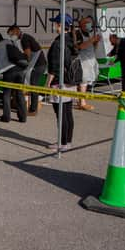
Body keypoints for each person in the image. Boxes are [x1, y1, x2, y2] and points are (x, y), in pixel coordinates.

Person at [45, 14, 78, 151]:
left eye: (55, 23)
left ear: (60, 25)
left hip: (59, 82)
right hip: (70, 81)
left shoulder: (59, 43)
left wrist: (47, 83)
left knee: (61, 114)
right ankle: (67, 141)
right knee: (68, 112)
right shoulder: (71, 40)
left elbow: (54, 66)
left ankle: (62, 143)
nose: (54, 26)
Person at [7, 25, 46, 116]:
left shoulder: (24, 39)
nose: (11, 37)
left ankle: (33, 110)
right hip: (39, 64)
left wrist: (22, 62)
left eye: (11, 34)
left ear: (16, 31)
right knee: (32, 85)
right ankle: (32, 107)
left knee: (33, 86)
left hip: (38, 65)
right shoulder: (25, 37)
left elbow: (28, 55)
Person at [0, 31, 27, 123]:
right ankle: (23, 117)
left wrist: (1, 62)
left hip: (8, 72)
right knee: (19, 94)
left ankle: (6, 117)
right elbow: (19, 54)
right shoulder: (11, 42)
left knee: (6, 94)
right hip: (20, 70)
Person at [74, 16, 101, 110]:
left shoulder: (89, 33)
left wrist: (96, 42)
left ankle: (80, 100)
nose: (89, 25)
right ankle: (82, 103)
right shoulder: (78, 33)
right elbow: (79, 46)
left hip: (90, 60)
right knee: (83, 82)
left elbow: (93, 48)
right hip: (82, 61)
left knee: (85, 82)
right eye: (87, 23)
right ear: (82, 24)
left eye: (90, 23)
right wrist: (92, 40)